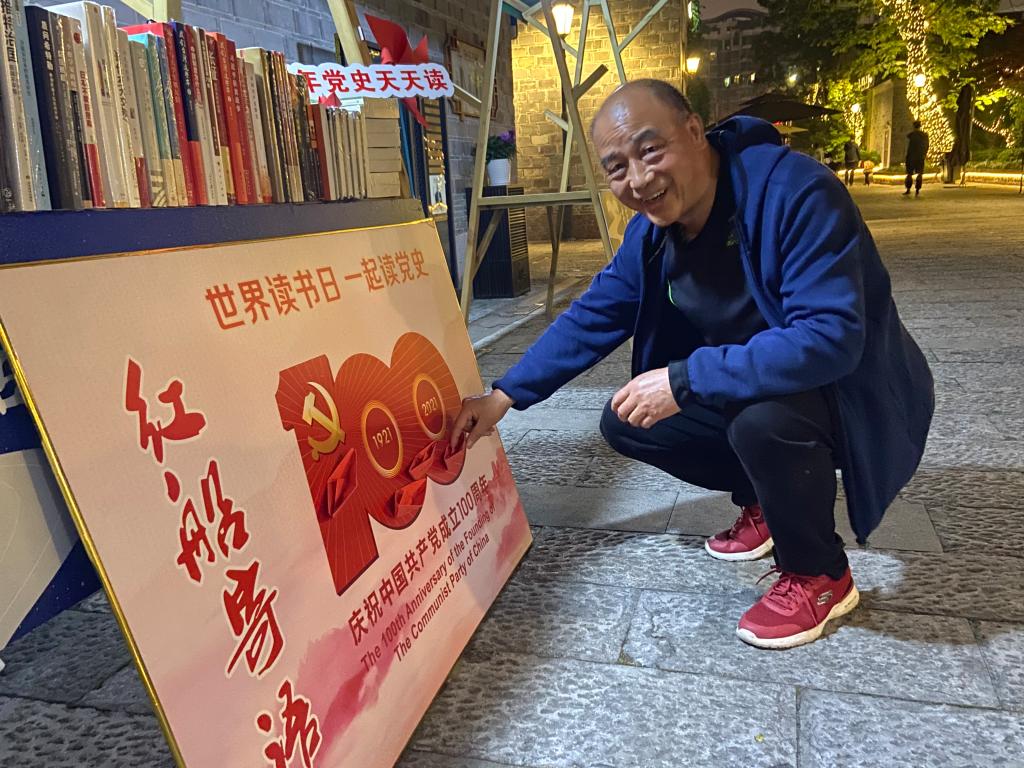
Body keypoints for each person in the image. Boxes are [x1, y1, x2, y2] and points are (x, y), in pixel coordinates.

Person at [451, 80, 933, 650]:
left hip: (846, 390)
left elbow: (830, 338)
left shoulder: (796, 192)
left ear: (695, 131)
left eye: (650, 150)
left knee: (762, 422)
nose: (638, 180)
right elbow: (596, 312)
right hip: (748, 382)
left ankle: (820, 574)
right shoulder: (653, 233)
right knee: (626, 419)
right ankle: (767, 501)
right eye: (616, 167)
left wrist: (686, 379)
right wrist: (503, 396)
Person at [904, 120, 929, 196]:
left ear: (913, 127)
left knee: (909, 173)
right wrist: (924, 154)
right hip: (920, 157)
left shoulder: (911, 135)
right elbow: (926, 146)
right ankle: (917, 189)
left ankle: (908, 189)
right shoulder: (924, 136)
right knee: (919, 173)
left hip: (911, 157)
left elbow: (908, 147)